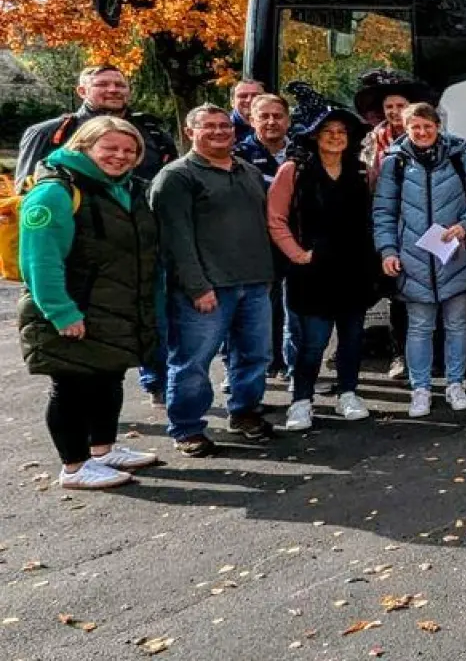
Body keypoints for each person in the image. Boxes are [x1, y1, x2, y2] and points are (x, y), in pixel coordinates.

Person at [18, 117, 161, 488]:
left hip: (112, 308)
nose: (120, 156)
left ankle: (103, 449)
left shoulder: (124, 189)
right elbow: (39, 260)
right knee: (70, 387)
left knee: (106, 379)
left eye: (129, 150)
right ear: (85, 146)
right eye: (110, 148)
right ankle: (74, 466)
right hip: (73, 308)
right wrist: (61, 312)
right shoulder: (55, 192)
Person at [152, 104, 278, 457]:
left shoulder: (248, 172)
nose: (220, 131)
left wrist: (266, 275)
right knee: (192, 361)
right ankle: (187, 428)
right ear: (190, 132)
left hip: (253, 282)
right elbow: (175, 238)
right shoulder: (177, 176)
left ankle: (244, 412)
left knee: (254, 356)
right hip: (207, 288)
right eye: (208, 126)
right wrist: (197, 286)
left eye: (224, 125)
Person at [372, 102, 466, 418]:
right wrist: (388, 250)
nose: (422, 132)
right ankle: (420, 388)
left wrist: (463, 226)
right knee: (420, 327)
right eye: (415, 127)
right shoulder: (393, 163)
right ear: (406, 128)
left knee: (456, 325)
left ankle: (455, 384)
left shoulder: (461, 158)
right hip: (413, 258)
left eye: (428, 126)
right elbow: (383, 211)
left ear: (438, 126)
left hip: (454, 256)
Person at [266, 103, 377, 430]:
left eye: (341, 132)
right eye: (328, 132)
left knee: (352, 338)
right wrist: (297, 254)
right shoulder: (294, 170)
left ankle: (348, 393)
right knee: (312, 342)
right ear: (315, 136)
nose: (335, 137)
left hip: (353, 267)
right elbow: (276, 218)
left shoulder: (360, 170)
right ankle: (301, 400)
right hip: (312, 270)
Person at [352, 68, 435, 380]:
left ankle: (427, 352)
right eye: (389, 107)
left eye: (400, 106)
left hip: (423, 223)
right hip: (388, 223)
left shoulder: (428, 138)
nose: (395, 112)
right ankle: (399, 353)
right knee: (397, 291)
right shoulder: (372, 142)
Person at [16, 64, 179, 185]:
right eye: (102, 84)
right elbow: (26, 189)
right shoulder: (47, 133)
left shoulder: (155, 134)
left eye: (121, 85)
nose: (113, 90)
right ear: (82, 91)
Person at [234, 92, 297, 379]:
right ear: (251, 120)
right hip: (255, 246)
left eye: (278, 116)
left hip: (296, 243)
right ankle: (255, 368)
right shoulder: (237, 156)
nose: (272, 122)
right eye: (264, 116)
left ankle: (292, 367)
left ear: (288, 120)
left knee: (295, 310)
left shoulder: (302, 153)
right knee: (256, 312)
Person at [229, 79, 265, 143]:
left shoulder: (276, 125)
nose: (249, 100)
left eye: (255, 96)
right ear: (232, 102)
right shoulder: (224, 128)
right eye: (243, 96)